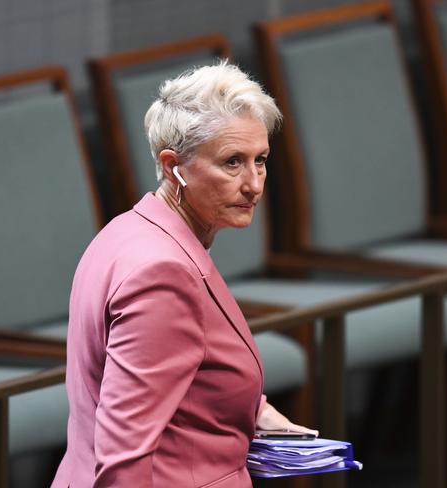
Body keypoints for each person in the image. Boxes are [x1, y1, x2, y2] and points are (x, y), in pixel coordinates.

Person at [52, 61, 317, 488]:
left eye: (261, 160)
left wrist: (258, 413)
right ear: (174, 166)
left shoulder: (128, 230)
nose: (254, 184)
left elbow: (183, 381)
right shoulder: (162, 275)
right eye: (233, 162)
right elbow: (124, 458)